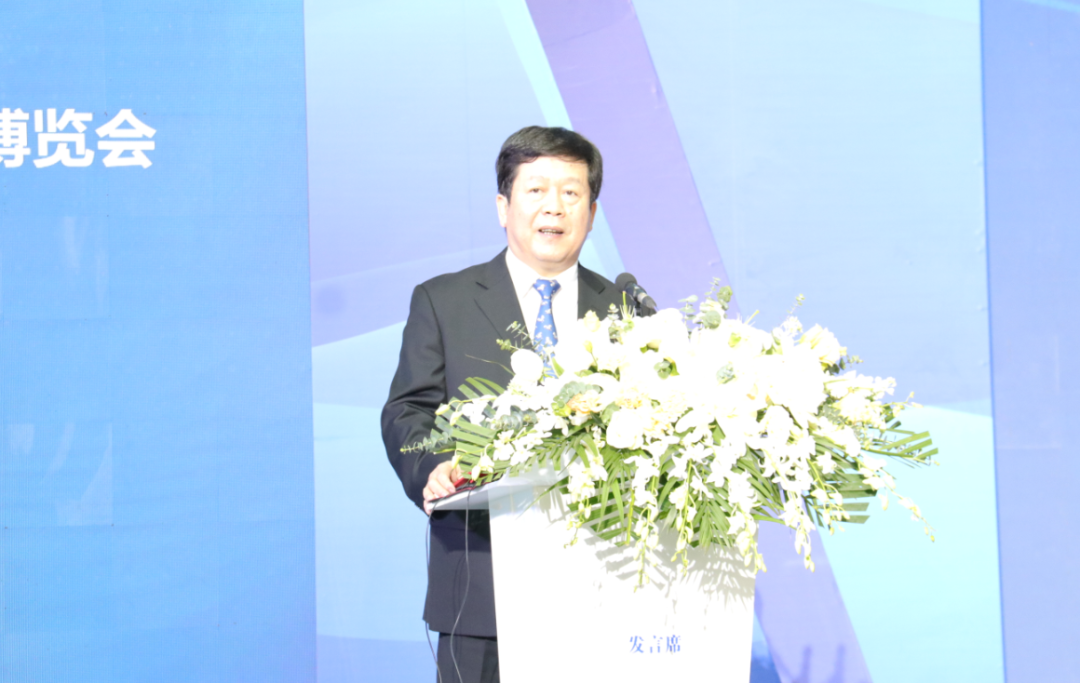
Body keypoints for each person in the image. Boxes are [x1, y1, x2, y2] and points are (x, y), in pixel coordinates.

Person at [381, 126, 624, 683]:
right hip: (481, 583)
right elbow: (407, 411)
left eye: (571, 192)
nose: (554, 207)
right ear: (503, 206)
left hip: (602, 585)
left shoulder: (624, 307)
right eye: (536, 190)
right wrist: (433, 466)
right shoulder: (444, 300)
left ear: (591, 211)